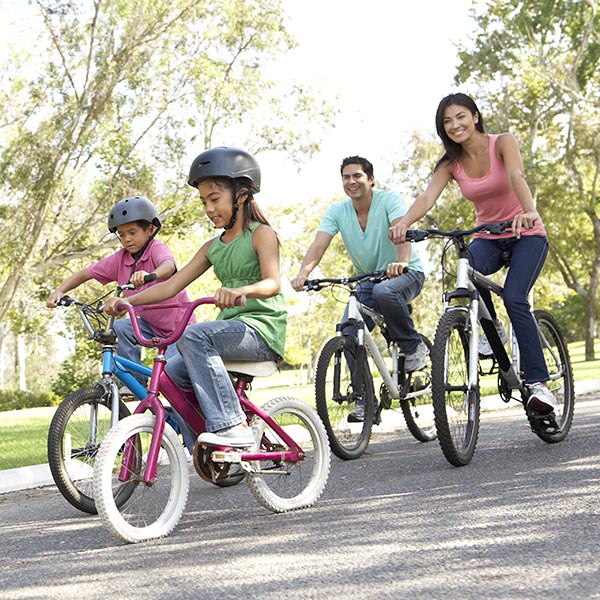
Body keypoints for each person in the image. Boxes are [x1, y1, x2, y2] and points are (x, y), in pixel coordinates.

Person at [105, 147, 287, 448]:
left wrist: (241, 291)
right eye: (204, 202)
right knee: (171, 374)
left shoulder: (261, 234)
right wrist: (128, 301)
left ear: (241, 195)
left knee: (192, 336)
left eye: (215, 199)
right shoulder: (212, 246)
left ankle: (232, 424)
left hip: (261, 329)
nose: (209, 208)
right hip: (229, 331)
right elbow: (170, 286)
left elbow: (273, 283)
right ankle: (203, 449)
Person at [389, 92, 556, 414]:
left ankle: (539, 384)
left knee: (516, 298)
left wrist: (530, 210)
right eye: (447, 121)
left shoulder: (502, 142)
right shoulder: (451, 163)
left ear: (475, 116)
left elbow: (516, 176)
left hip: (526, 233)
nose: (455, 125)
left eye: (460, 117)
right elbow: (428, 197)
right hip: (489, 237)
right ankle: (492, 327)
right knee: (467, 265)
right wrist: (405, 223)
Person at [47, 195, 197, 450]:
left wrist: (150, 275)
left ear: (150, 230)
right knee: (120, 327)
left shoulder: (156, 249)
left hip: (179, 328)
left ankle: (195, 446)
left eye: (132, 232)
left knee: (173, 382)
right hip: (149, 325)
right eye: (121, 234)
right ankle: (135, 383)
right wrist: (59, 290)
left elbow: (169, 267)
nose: (127, 239)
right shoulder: (120, 259)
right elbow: (86, 273)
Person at [291, 155, 427, 422]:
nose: (351, 181)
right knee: (349, 332)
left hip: (406, 272)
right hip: (368, 278)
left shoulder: (389, 200)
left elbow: (402, 230)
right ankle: (367, 402)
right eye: (346, 177)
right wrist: (303, 273)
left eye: (357, 176)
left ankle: (413, 347)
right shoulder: (337, 212)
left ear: (371, 179)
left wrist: (401, 261)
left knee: (384, 292)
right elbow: (319, 245)